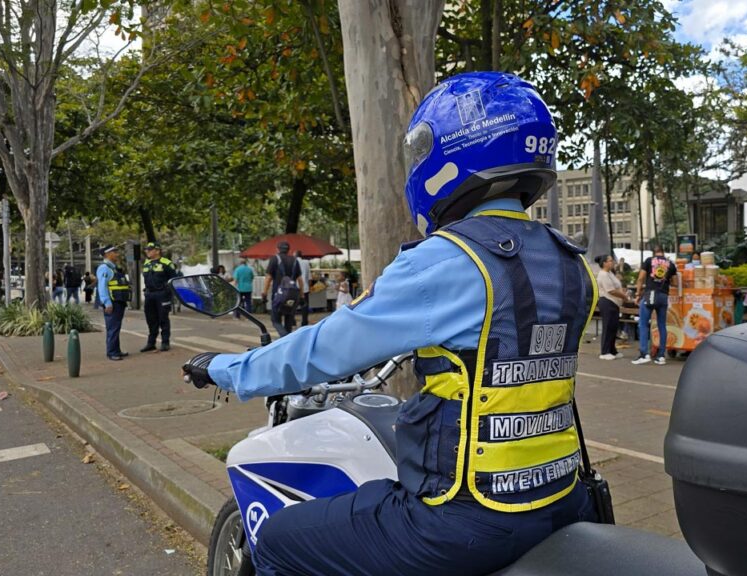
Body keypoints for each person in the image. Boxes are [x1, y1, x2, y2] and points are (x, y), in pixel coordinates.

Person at [181, 72, 597, 576]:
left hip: (466, 519)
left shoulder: (446, 260)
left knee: (276, 540)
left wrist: (228, 369)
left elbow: (323, 348)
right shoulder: (569, 261)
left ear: (454, 151)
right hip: (563, 498)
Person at [632, 246, 676, 365]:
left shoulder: (649, 261)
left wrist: (637, 294)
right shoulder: (671, 264)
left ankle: (644, 354)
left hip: (650, 294)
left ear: (654, 253)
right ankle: (661, 356)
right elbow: (675, 282)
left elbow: (641, 278)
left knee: (643, 324)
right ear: (663, 252)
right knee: (662, 325)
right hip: (663, 296)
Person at [140, 242, 179, 352]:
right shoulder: (147, 263)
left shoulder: (166, 263)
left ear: (157, 251)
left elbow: (174, 279)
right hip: (149, 295)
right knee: (151, 319)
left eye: (150, 249)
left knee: (163, 319)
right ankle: (151, 343)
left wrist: (168, 292)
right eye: (146, 249)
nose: (147, 251)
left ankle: (165, 342)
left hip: (162, 294)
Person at [97, 246, 131, 361]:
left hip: (119, 301)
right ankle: (112, 352)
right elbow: (102, 287)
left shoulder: (113, 268)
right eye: (114, 252)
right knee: (112, 328)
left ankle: (116, 350)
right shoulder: (104, 268)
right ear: (107, 254)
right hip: (112, 302)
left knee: (116, 327)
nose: (117, 254)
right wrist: (107, 302)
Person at [264, 241, 303, 337]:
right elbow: (300, 280)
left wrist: (264, 292)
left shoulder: (274, 259)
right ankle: (287, 338)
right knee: (289, 321)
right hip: (292, 295)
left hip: (278, 294)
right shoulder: (295, 260)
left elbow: (268, 278)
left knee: (275, 320)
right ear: (289, 250)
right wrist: (301, 295)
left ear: (277, 249)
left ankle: (284, 336)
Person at [596, 254, 631, 360]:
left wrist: (623, 293)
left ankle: (612, 350)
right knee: (608, 326)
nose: (613, 262)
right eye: (610, 261)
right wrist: (624, 296)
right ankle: (605, 351)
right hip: (607, 302)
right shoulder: (603, 274)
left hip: (614, 303)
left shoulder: (610, 273)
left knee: (613, 327)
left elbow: (617, 286)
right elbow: (611, 290)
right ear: (604, 263)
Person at [295, 250, 311, 327]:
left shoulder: (293, 262)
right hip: (305, 288)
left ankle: (292, 321)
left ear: (295, 255)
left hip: (294, 288)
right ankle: (304, 322)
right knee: (305, 306)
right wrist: (309, 287)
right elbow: (309, 277)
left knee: (293, 305)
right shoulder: (306, 262)